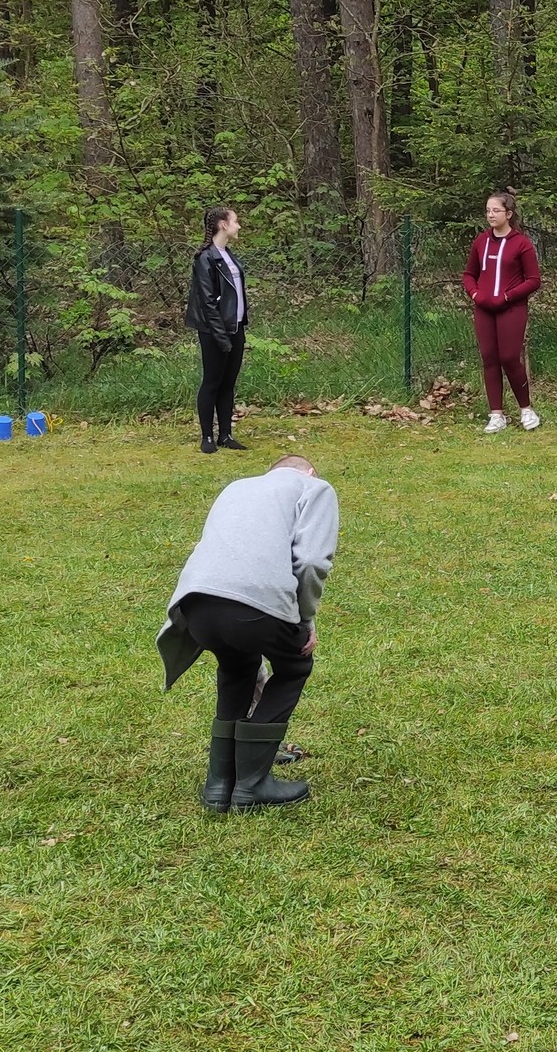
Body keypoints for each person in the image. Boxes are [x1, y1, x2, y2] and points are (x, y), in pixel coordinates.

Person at [156, 455, 339, 812]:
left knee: (236, 667)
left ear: (270, 472)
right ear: (310, 472)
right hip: (253, 603)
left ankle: (218, 785)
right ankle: (251, 785)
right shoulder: (314, 487)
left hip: (195, 603)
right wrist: (304, 620)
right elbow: (312, 561)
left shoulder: (237, 487)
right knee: (294, 667)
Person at [461, 192, 542, 433]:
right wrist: (476, 294)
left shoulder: (521, 243)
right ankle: (496, 414)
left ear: (508, 214)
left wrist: (507, 296)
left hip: (511, 308)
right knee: (489, 358)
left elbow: (533, 280)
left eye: (496, 210)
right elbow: (469, 275)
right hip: (484, 308)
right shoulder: (481, 242)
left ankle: (526, 409)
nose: (490, 215)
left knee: (509, 357)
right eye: (488, 210)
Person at [186, 207, 250, 454]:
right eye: (235, 221)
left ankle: (226, 434)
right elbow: (208, 302)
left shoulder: (228, 255)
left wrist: (236, 328)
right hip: (213, 330)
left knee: (228, 383)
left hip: (236, 327)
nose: (238, 226)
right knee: (212, 382)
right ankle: (207, 437)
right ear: (223, 224)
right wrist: (220, 336)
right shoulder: (205, 258)